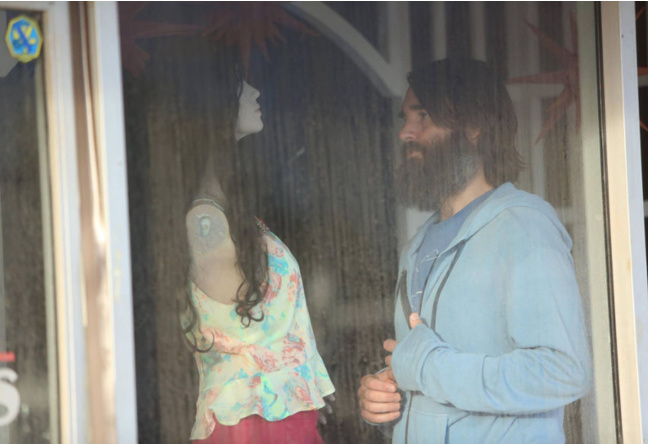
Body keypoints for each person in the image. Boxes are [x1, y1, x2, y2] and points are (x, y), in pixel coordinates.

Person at [357, 58, 591, 443]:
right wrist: (386, 393)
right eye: (405, 118)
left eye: (424, 116)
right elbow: (427, 372)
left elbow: (561, 372)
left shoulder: (524, 227)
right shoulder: (416, 246)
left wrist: (426, 367)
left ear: (474, 127)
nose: (405, 132)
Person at [174, 51, 335, 442]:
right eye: (239, 82)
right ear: (214, 102)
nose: (255, 91)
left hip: (275, 413)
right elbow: (245, 323)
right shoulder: (205, 221)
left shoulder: (228, 213)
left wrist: (303, 380)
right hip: (251, 421)